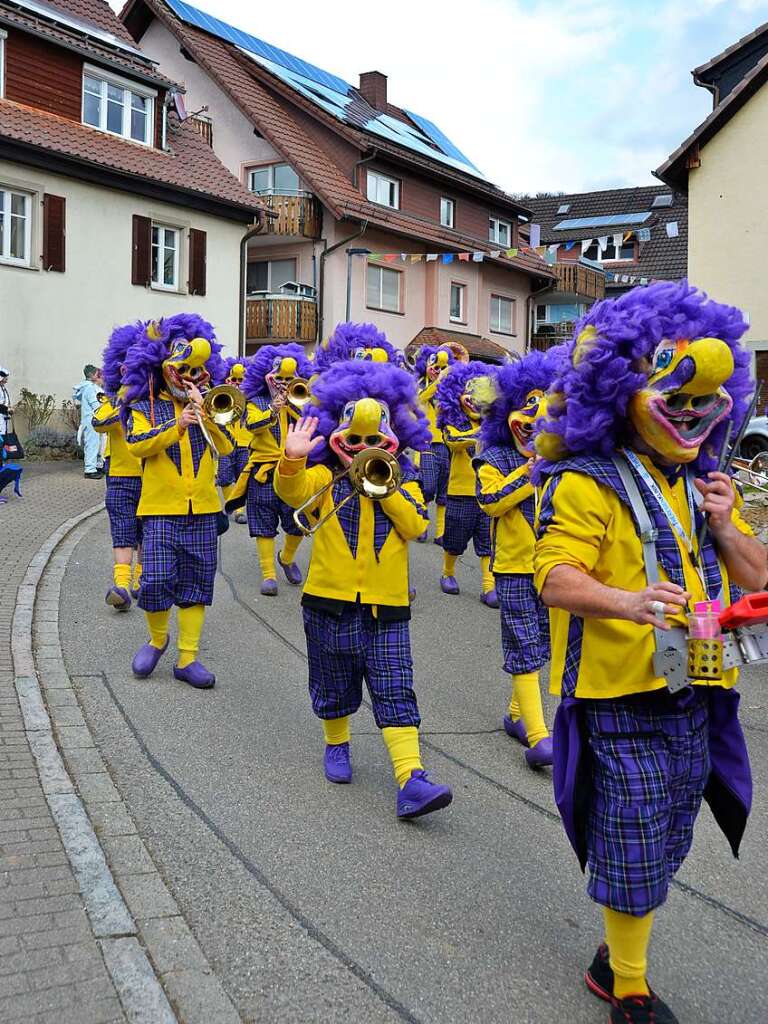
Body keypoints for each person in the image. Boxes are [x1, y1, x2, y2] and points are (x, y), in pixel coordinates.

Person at [533, 282, 766, 1024]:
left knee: (668, 831)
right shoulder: (584, 482)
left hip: (698, 687)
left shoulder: (706, 483)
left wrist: (728, 529)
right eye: (675, 393)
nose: (692, 410)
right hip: (616, 694)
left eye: (706, 398)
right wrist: (627, 602)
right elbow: (553, 574)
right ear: (623, 389)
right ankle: (626, 981)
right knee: (632, 832)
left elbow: (759, 580)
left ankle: (616, 942)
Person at [275, 359, 453, 819]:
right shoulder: (323, 479)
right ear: (338, 440)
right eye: (354, 441)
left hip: (387, 608)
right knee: (332, 682)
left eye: (374, 442)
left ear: (392, 442)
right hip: (327, 602)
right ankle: (337, 743)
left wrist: (383, 484)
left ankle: (411, 778)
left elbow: (416, 525)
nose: (363, 448)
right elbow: (292, 494)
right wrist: (293, 457)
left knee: (396, 687)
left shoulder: (405, 481)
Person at [122, 315, 233, 689]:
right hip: (159, 509)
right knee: (154, 580)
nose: (190, 375)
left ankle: (188, 658)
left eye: (197, 370)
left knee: (196, 582)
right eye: (183, 368)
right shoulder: (144, 407)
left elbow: (228, 448)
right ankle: (157, 639)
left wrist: (207, 415)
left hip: (202, 508)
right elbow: (137, 444)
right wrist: (178, 426)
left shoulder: (209, 407)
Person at [474, 349, 562, 769]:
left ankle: (515, 716)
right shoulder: (492, 459)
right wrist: (532, 469)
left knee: (541, 645)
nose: (536, 416)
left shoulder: (563, 463)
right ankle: (540, 736)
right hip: (511, 568)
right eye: (528, 404)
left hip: (554, 570)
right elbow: (490, 502)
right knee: (524, 645)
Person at [226, 344, 313, 595]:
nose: (285, 383)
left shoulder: (301, 399)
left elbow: (309, 424)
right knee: (263, 522)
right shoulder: (255, 401)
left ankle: (286, 557)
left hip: (293, 469)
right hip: (263, 470)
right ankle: (268, 574)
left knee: (298, 519)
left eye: (290, 379)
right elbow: (252, 425)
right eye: (280, 379)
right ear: (268, 376)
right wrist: (274, 408)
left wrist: (292, 404)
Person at [435, 360, 498, 605]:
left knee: (487, 542)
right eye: (468, 389)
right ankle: (448, 573)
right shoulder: (453, 424)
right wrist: (481, 435)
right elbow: (453, 441)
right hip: (460, 492)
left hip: (487, 492)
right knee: (454, 539)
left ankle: (488, 586)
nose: (473, 396)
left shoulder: (493, 426)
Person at [93, 324, 144, 611]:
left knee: (147, 532)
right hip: (120, 476)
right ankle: (122, 585)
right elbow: (98, 423)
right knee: (123, 529)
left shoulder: (154, 398)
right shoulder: (111, 399)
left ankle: (140, 579)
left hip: (152, 476)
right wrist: (125, 400)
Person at [413, 345, 460, 545]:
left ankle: (440, 533)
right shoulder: (419, 386)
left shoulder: (447, 392)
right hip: (426, 444)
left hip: (446, 445)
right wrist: (440, 381)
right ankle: (421, 522)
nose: (438, 371)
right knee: (428, 486)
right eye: (435, 366)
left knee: (443, 491)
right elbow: (422, 397)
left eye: (443, 368)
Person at [73, 364, 104, 479]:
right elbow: (96, 405)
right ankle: (90, 470)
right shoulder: (90, 388)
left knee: (96, 444)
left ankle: (95, 466)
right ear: (94, 375)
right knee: (92, 444)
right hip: (92, 421)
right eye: (98, 373)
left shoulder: (87, 387)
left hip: (92, 420)